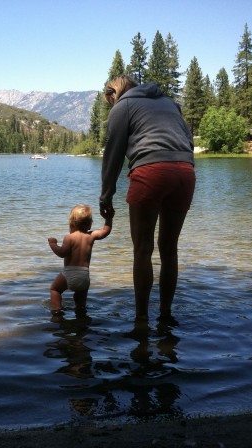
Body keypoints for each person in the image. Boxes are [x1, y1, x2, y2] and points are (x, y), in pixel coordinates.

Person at [99, 75, 195, 325]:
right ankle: (165, 313)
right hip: (185, 172)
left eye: (110, 100)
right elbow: (188, 139)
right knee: (169, 249)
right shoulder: (170, 103)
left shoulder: (124, 106)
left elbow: (113, 153)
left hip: (151, 171)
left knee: (143, 249)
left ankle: (141, 318)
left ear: (113, 93)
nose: (111, 105)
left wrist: (106, 195)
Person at [48, 205, 111, 315]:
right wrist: (108, 218)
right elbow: (105, 231)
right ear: (89, 224)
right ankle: (81, 313)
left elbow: (62, 253)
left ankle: (57, 312)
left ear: (71, 223)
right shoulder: (91, 235)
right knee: (80, 300)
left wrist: (52, 244)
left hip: (69, 273)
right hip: (84, 276)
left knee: (55, 290)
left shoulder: (69, 237)